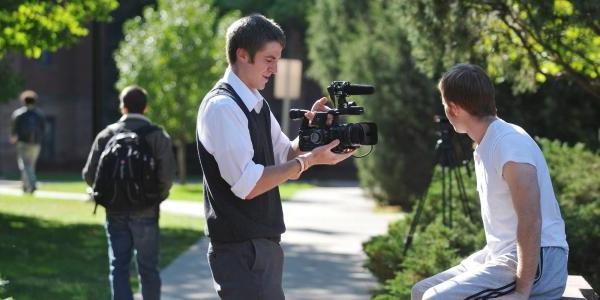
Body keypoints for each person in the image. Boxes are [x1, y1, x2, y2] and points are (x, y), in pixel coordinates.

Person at [196, 14, 355, 299]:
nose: (275, 69)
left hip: (260, 246)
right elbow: (248, 185)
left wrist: (312, 133)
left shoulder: (256, 102)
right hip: (241, 249)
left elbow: (284, 154)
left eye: (277, 60)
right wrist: (308, 161)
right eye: (269, 59)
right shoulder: (223, 107)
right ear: (242, 55)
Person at [411, 64, 568, 300]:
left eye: (444, 104)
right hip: (502, 253)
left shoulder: (509, 143)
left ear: (453, 108)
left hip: (540, 259)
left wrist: (521, 292)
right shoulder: (487, 142)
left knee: (436, 299)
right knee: (421, 291)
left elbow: (531, 219)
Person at [82, 86, 176, 300]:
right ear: (146, 107)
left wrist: (109, 194)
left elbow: (89, 174)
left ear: (122, 106)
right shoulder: (157, 136)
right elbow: (167, 177)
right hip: (146, 211)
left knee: (119, 266)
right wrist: (154, 197)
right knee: (148, 269)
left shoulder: (107, 134)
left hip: (115, 210)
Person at [9, 90, 46, 194]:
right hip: (36, 143)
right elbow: (43, 129)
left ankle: (32, 184)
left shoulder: (18, 114)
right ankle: (25, 186)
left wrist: (13, 137)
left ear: (24, 101)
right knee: (31, 166)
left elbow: (13, 129)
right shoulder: (39, 114)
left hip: (23, 143)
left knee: (25, 165)